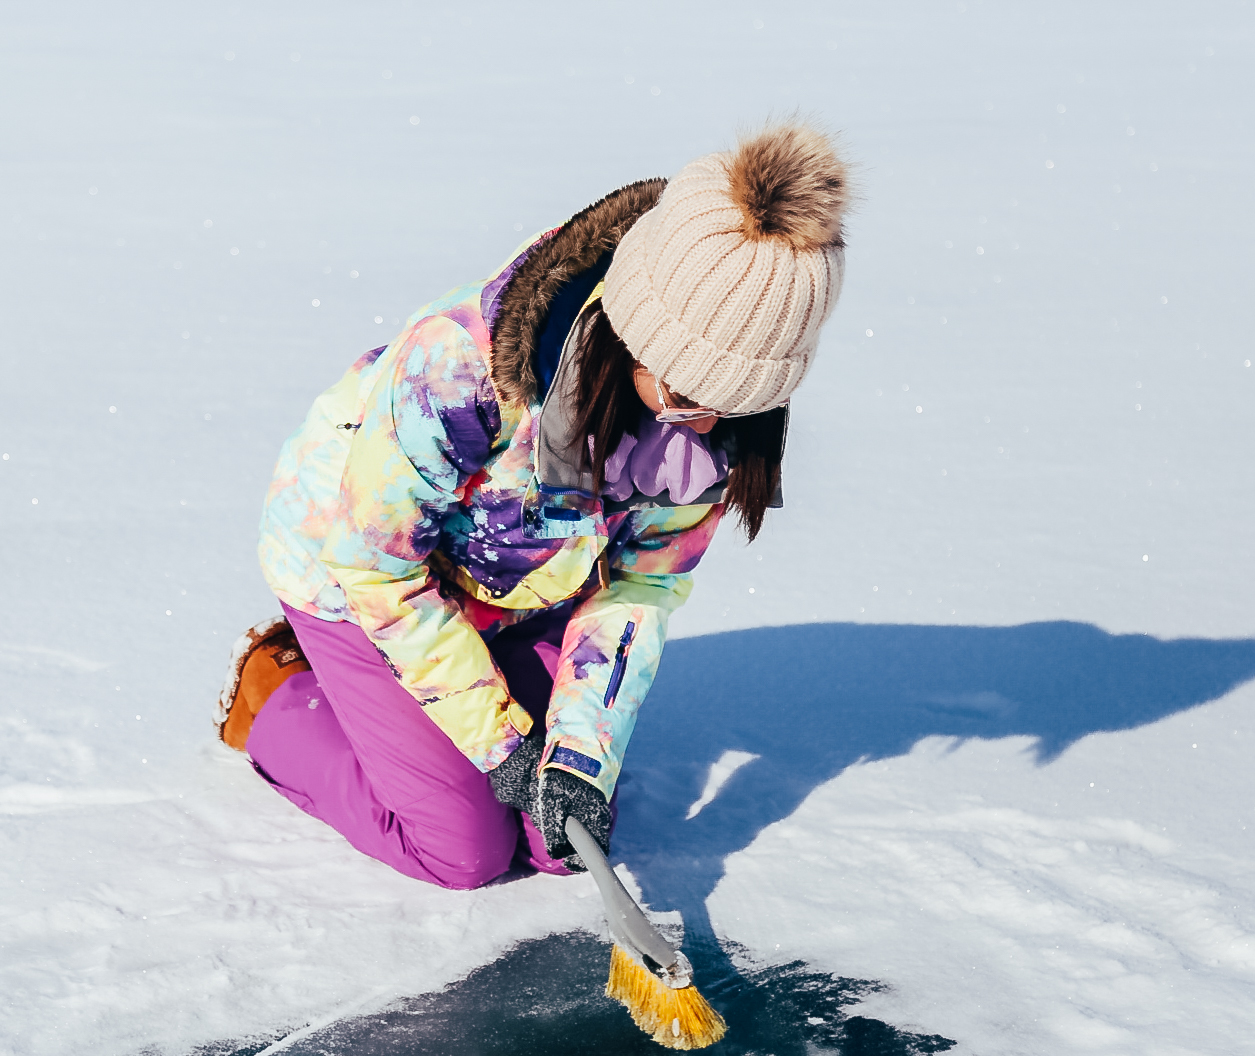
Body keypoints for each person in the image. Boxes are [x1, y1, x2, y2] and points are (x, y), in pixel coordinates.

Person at [215, 122, 852, 889]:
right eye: (684, 393)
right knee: (464, 853)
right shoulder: (457, 368)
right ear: (633, 331)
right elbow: (376, 571)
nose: (704, 426)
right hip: (356, 577)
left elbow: (640, 585)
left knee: (562, 842)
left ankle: (468, 702)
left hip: (521, 587)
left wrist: (579, 756)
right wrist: (500, 743)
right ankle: (280, 694)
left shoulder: (712, 430)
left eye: (739, 402)